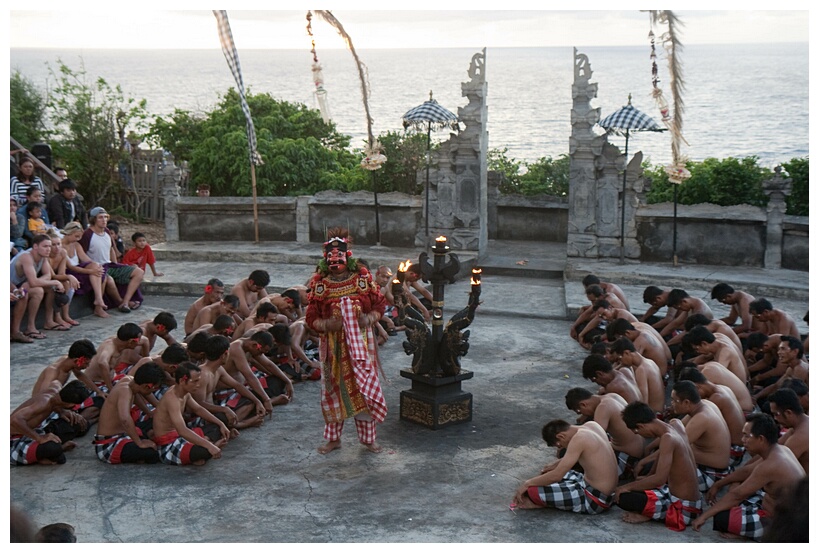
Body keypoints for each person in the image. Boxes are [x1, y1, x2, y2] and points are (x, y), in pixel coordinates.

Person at [306, 229, 388, 454]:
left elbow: (380, 304)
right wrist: (326, 325)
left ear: (347, 256)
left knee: (364, 388)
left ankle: (368, 439)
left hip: (362, 344)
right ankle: (334, 439)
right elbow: (310, 318)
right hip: (332, 347)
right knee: (332, 390)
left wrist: (368, 318)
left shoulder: (361, 279)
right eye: (330, 258)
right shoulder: (320, 284)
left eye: (339, 256)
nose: (335, 261)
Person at [691, 413, 805, 540]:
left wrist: (704, 517)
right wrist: (719, 484)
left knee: (721, 518)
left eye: (746, 436)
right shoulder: (781, 450)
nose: (742, 440)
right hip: (772, 505)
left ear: (761, 439)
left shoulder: (771, 464)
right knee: (735, 489)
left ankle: (758, 534)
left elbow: (737, 495)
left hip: (781, 523)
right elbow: (747, 471)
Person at [615, 401, 703, 531]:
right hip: (694, 502)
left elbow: (659, 480)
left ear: (640, 426)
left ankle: (649, 515)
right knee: (640, 481)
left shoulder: (668, 438)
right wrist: (648, 476)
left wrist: (624, 487)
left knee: (623, 497)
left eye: (637, 432)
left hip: (683, 509)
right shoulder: (675, 424)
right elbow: (661, 459)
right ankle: (651, 509)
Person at [511, 419, 618, 514]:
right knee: (545, 475)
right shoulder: (592, 425)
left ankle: (544, 503)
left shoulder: (579, 439)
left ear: (561, 436)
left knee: (532, 491)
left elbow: (556, 476)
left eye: (560, 445)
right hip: (605, 492)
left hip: (594, 500)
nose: (562, 448)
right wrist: (556, 464)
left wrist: (527, 483)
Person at [152, 362, 230, 465]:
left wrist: (221, 424)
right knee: (203, 452)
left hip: (181, 437)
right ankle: (211, 445)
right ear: (182, 381)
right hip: (169, 446)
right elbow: (182, 430)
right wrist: (210, 446)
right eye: (195, 381)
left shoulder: (185, 393)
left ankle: (209, 444)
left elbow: (198, 409)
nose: (198, 385)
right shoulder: (172, 399)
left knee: (220, 419)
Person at [92, 363, 165, 465]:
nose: (154, 391)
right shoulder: (125, 390)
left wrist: (152, 412)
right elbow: (125, 419)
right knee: (153, 453)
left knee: (157, 419)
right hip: (109, 445)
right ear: (146, 386)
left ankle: (146, 437)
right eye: (154, 388)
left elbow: (138, 396)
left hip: (123, 434)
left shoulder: (131, 381)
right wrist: (140, 443)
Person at [564, 388, 645, 479]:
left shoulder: (603, 408)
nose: (581, 414)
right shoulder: (613, 396)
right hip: (637, 449)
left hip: (627, 460)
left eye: (579, 411)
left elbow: (593, 439)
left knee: (575, 454)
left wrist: (562, 461)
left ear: (583, 404)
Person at [677, 367, 747, 469]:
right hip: (738, 446)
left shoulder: (716, 399)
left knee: (680, 449)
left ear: (696, 387)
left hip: (734, 452)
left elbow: (695, 420)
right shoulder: (723, 388)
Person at [670, 381, 732, 494]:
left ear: (687, 402)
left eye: (675, 401)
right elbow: (673, 432)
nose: (672, 404)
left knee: (667, 466)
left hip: (711, 476)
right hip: (712, 468)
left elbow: (673, 446)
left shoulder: (702, 418)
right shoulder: (705, 404)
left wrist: (647, 460)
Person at [11, 380, 90, 465]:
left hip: (37, 429)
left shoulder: (56, 391)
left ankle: (50, 450)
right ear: (70, 405)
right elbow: (15, 420)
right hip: (14, 439)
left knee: (79, 423)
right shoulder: (43, 403)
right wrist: (39, 438)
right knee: (55, 451)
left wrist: (61, 411)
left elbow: (56, 382)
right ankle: (56, 449)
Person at [79, 207, 143, 312]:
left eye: (105, 217)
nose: (104, 220)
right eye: (100, 217)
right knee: (109, 280)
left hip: (110, 265)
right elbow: (82, 254)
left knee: (139, 272)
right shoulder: (88, 234)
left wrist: (115, 263)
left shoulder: (107, 231)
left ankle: (125, 302)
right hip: (98, 267)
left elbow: (111, 249)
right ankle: (119, 302)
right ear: (94, 219)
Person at [31, 339, 102, 427]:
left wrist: (98, 391)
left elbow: (80, 375)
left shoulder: (69, 361)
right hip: (44, 410)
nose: (87, 366)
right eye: (86, 363)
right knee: (68, 425)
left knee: (100, 400)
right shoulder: (53, 372)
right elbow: (44, 399)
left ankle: (83, 419)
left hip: (59, 403)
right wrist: (61, 411)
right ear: (77, 361)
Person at [10, 234, 66, 342]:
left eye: (49, 246)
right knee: (28, 292)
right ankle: (15, 332)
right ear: (35, 247)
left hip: (21, 285)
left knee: (44, 290)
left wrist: (30, 283)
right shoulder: (26, 256)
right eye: (45, 246)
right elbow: (34, 281)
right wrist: (55, 281)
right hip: (9, 285)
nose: (49, 249)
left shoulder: (43, 257)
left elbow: (47, 275)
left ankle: (39, 325)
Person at [60, 220, 119, 318]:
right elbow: (71, 267)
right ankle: (99, 303)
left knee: (99, 270)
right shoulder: (61, 246)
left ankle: (98, 300)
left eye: (80, 237)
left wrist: (96, 267)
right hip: (70, 271)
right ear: (68, 233)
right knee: (98, 273)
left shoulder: (76, 245)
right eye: (76, 236)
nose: (78, 239)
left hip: (80, 269)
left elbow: (87, 260)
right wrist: (91, 271)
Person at [609, 338, 665, 414]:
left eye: (619, 359)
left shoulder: (641, 370)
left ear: (626, 353)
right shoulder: (650, 362)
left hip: (653, 414)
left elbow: (642, 403)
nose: (620, 363)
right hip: (660, 410)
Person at [684, 325, 749, 383]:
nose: (697, 352)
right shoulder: (717, 337)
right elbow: (704, 357)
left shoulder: (725, 352)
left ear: (704, 343)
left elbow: (717, 374)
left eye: (697, 349)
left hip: (738, 386)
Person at [42, 229, 78, 330]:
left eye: (59, 244)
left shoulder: (62, 253)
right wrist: (69, 276)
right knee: (58, 285)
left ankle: (65, 315)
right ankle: (56, 317)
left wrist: (67, 278)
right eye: (53, 245)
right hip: (44, 279)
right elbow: (52, 276)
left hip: (54, 278)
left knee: (66, 283)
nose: (57, 247)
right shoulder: (46, 256)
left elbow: (61, 273)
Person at [767, 388, 808, 474]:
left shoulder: (799, 437)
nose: (775, 418)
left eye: (776, 414)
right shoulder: (799, 426)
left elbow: (775, 466)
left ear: (788, 413)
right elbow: (772, 448)